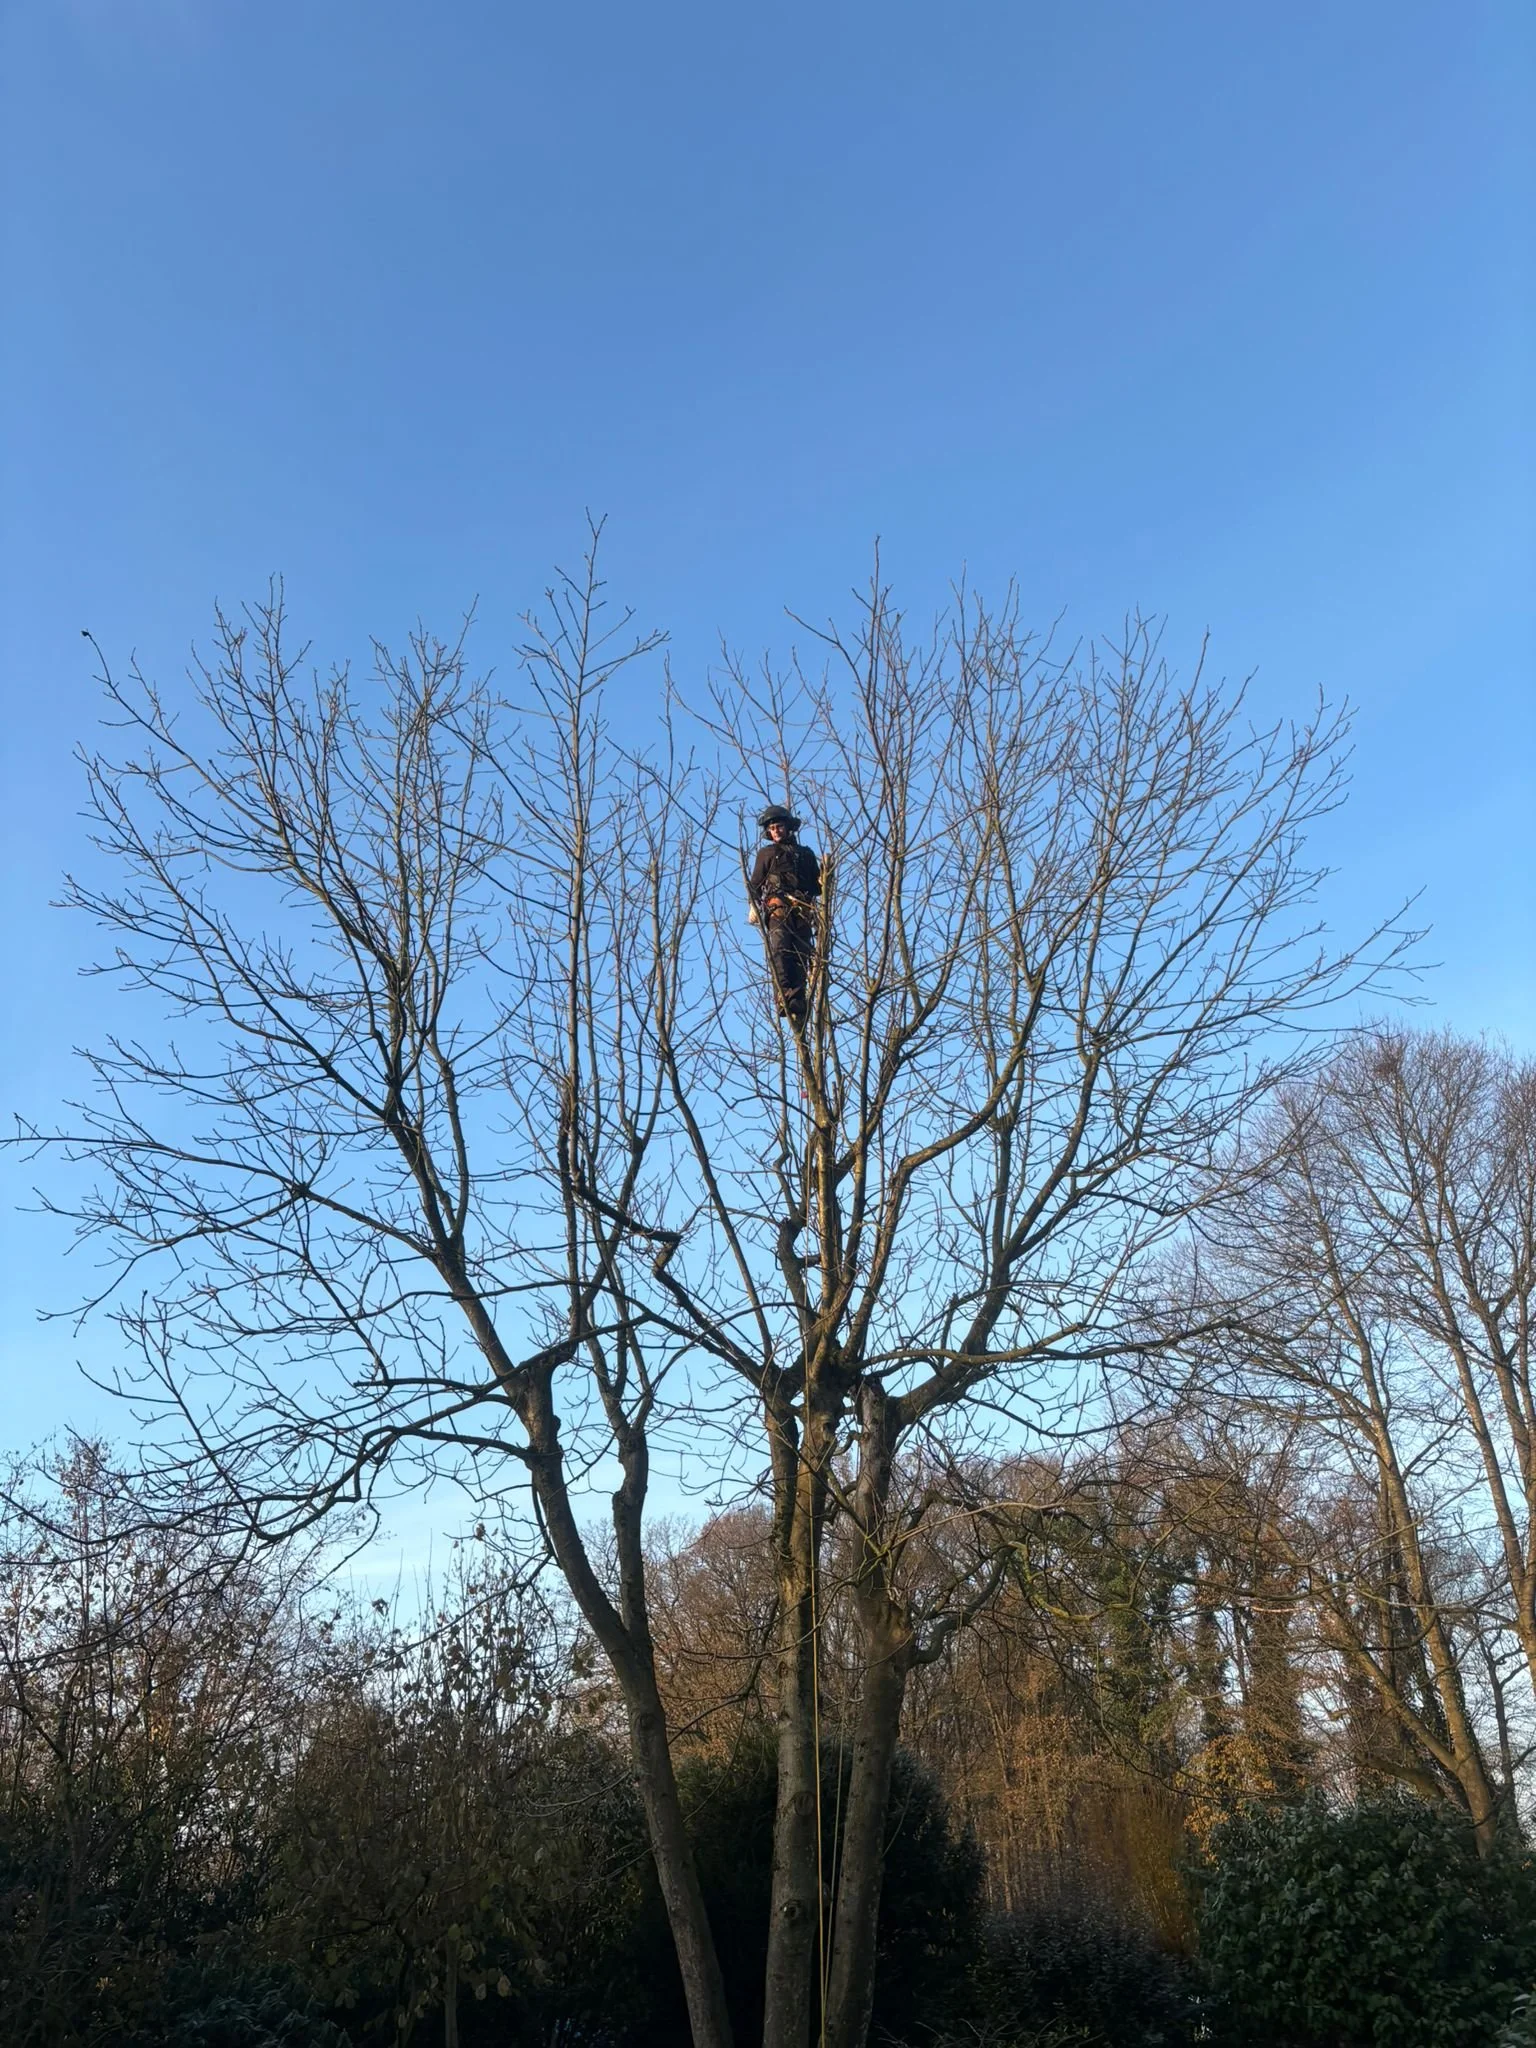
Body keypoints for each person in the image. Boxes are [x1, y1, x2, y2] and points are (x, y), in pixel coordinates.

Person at [748, 804, 821, 1027]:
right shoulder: (766, 854)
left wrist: (826, 877)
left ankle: (798, 999)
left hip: (803, 909)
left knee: (802, 954)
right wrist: (753, 906)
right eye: (772, 829)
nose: (776, 831)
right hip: (777, 907)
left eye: (779, 827)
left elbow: (818, 886)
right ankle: (784, 996)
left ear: (788, 827)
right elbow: (755, 884)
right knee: (780, 950)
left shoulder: (806, 855)